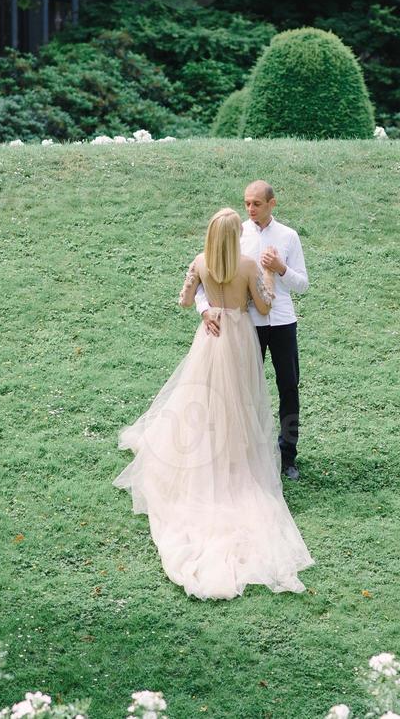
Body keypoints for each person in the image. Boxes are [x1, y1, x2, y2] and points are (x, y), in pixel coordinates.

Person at [113, 208, 314, 600]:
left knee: (203, 400)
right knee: (238, 403)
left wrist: (206, 305)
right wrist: (269, 277)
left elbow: (186, 300)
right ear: (234, 236)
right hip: (238, 338)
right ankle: (236, 458)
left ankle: (204, 454)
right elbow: (265, 305)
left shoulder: (201, 262)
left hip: (210, 340)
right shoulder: (247, 265)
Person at [194, 180, 309, 480]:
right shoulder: (236, 235)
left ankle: (288, 456)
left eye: (256, 204)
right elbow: (204, 280)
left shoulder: (288, 236)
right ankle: (244, 453)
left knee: (289, 387)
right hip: (247, 326)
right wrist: (205, 310)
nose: (250, 209)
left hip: (283, 322)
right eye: (246, 203)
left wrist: (281, 268)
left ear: (272, 203)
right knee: (241, 389)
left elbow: (303, 285)